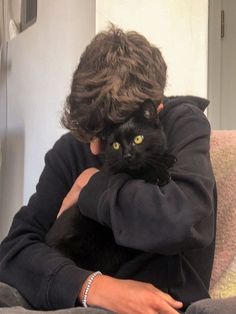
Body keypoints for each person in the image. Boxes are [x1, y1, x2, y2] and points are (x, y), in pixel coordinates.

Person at [0, 26, 216, 314]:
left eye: (107, 134)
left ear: (155, 111)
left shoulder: (183, 124)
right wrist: (93, 287)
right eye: (90, 133)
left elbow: (183, 220)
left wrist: (93, 186)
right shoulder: (74, 147)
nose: (93, 149)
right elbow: (13, 250)